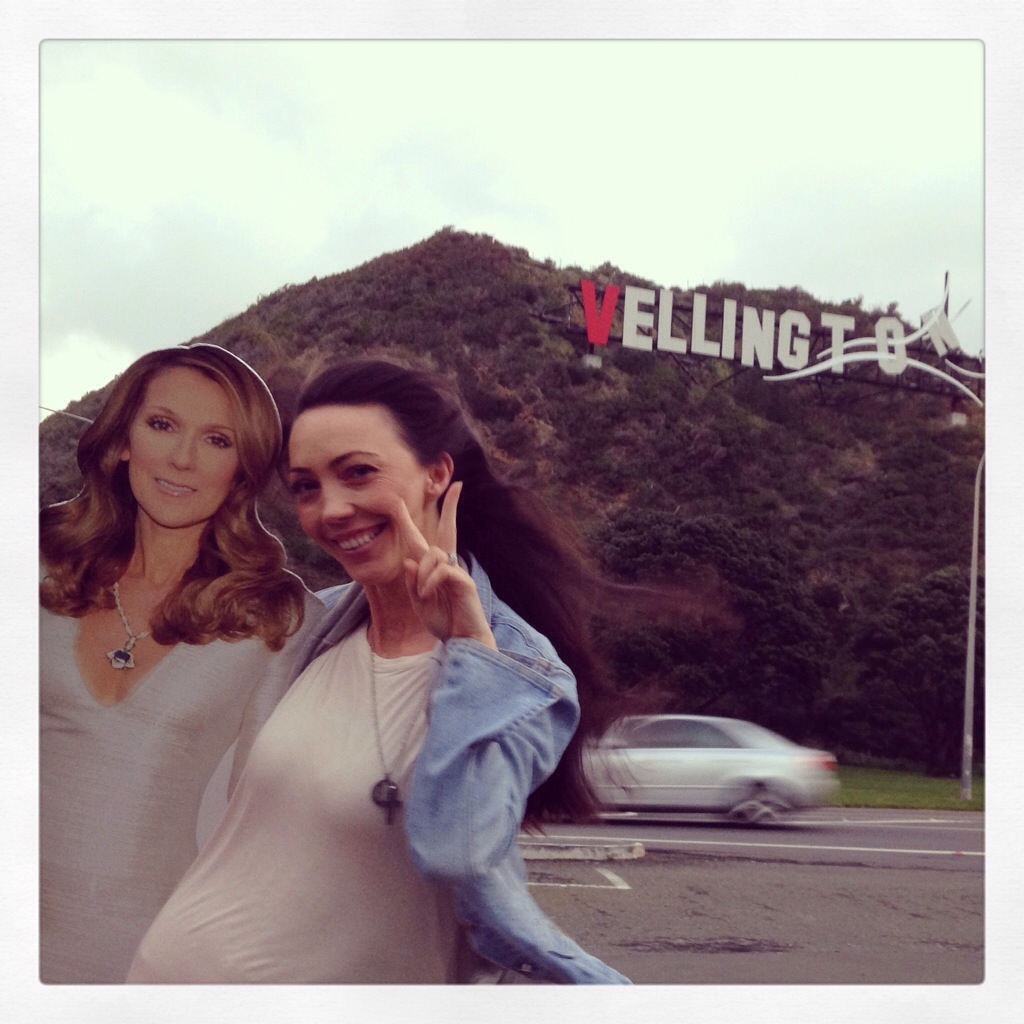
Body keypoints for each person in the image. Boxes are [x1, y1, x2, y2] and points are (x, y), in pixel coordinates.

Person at [127, 357, 643, 984]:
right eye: (306, 487)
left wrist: (470, 649)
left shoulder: (518, 674)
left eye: (358, 473)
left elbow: (458, 850)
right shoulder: (302, 630)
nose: (331, 509)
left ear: (436, 473)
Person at [40, 343, 320, 984]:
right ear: (123, 440)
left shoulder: (276, 618)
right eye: (162, 425)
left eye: (217, 440)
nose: (183, 459)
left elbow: (265, 834)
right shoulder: (33, 565)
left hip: (155, 963)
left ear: (243, 469)